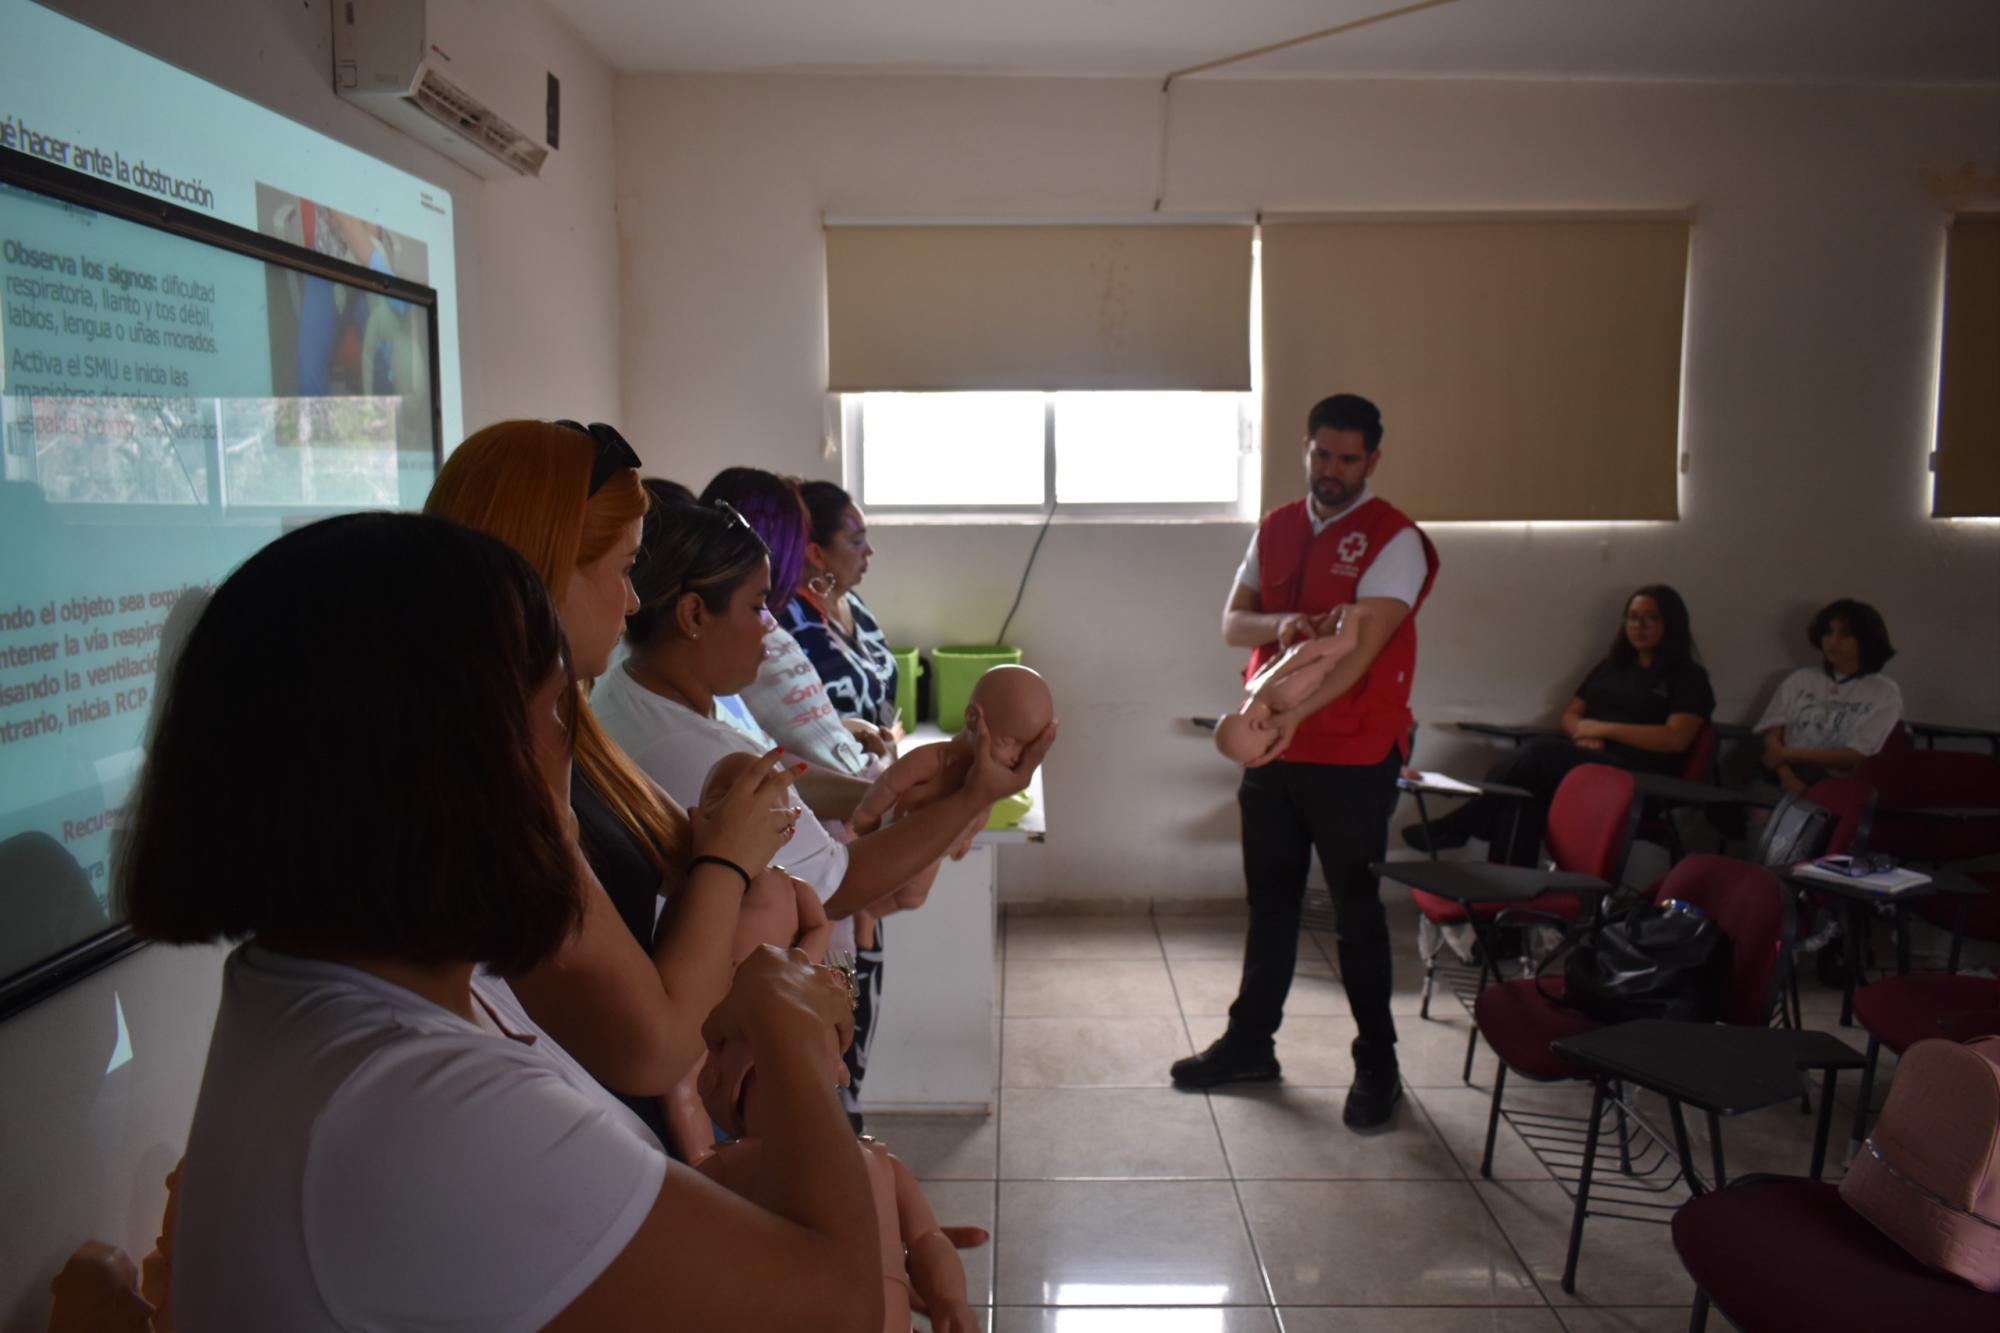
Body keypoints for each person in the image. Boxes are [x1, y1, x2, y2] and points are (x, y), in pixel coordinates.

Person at [121, 511, 882, 1331]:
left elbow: (614, 1207)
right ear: (465, 766)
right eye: (556, 714)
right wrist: (793, 1032)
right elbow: (839, 1304)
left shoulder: (320, 997)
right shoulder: (417, 1107)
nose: (570, 755)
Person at [592, 498, 1055, 1119]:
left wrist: (885, 793)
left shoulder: (631, 689)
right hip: (721, 1046)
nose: (770, 628)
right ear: (694, 614)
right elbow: (839, 883)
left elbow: (794, 792)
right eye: (758, 606)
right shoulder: (696, 750)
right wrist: (974, 795)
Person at [425, 418, 794, 1150]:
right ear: (548, 571)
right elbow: (655, 1044)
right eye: (624, 568)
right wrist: (728, 863)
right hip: (589, 1145)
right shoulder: (502, 770)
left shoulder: (570, 727)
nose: (632, 602)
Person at [1170, 393, 1439, 1130]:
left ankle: (1377, 1064)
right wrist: (1281, 625)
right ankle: (1251, 1043)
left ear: (1372, 460)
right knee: (1273, 904)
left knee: (1356, 913)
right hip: (1272, 748)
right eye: (1321, 454)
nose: (1331, 470)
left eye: (1348, 458)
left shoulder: (1397, 539)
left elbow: (1361, 651)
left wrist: (1292, 716)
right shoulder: (1279, 526)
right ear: (1306, 448)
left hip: (1351, 754)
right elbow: (1235, 622)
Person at [1405, 584, 1715, 864]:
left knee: (1541, 753)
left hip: (1641, 778)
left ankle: (1461, 825)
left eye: (1650, 618)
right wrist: (1581, 736)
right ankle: (1509, 909)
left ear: (1671, 624)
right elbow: (1570, 714)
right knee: (1521, 802)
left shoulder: (1687, 676)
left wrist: (1603, 729)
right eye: (1633, 617)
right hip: (1593, 763)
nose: (1639, 626)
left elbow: (1677, 738)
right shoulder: (1611, 667)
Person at [700, 467, 884, 776]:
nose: (805, 554)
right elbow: (843, 771)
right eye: (799, 539)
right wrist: (884, 759)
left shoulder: (850, 605)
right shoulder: (771, 632)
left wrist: (845, 733)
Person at [786, 481, 901, 740]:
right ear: (816, 554)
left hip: (881, 758)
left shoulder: (852, 602)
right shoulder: (792, 622)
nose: (869, 550)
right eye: (856, 541)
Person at [1754, 598, 1902, 791]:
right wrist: (1786, 776)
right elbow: (1773, 735)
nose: (1833, 641)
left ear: (1866, 639)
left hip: (1838, 783)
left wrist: (1788, 753)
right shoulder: (1801, 678)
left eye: (1845, 634)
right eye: (1828, 632)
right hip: (1784, 772)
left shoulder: (1884, 691)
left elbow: (1856, 755)